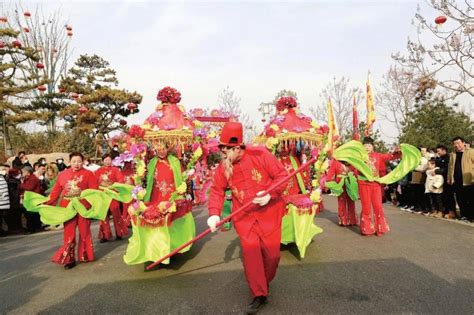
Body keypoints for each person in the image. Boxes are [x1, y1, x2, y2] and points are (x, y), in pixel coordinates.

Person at [207, 122, 288, 313]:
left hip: (268, 214)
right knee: (252, 257)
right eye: (221, 148)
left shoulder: (261, 155)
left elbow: (282, 176)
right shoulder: (223, 167)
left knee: (273, 257)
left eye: (225, 149)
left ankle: (262, 283)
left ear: (236, 148)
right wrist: (213, 214)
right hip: (244, 218)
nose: (223, 153)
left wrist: (270, 194)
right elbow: (217, 191)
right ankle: (259, 294)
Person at [46, 152, 98, 269]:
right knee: (69, 234)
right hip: (68, 209)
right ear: (69, 162)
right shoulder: (63, 175)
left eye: (79, 161)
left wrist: (91, 204)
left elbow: (94, 191)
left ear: (83, 162)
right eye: (74, 161)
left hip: (83, 208)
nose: (77, 164)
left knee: (84, 232)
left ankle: (85, 255)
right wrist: (46, 203)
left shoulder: (89, 174)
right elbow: (55, 192)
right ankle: (69, 259)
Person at [359, 137, 400, 236]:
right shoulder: (359, 157)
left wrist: (398, 152)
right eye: (365, 145)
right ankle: (367, 229)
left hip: (376, 184)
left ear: (373, 147)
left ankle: (380, 228)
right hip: (364, 184)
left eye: (369, 145)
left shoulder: (378, 156)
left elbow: (390, 156)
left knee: (378, 206)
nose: (367, 147)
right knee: (366, 207)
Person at [95, 154, 127, 242]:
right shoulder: (98, 171)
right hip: (103, 195)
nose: (107, 161)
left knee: (116, 214)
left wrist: (113, 186)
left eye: (109, 160)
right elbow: (94, 182)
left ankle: (119, 233)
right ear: (102, 161)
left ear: (111, 161)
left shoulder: (115, 170)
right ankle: (105, 235)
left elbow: (120, 180)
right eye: (105, 160)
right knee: (104, 215)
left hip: (113, 194)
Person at [447, 137, 474, 221]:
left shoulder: (471, 152)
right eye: (455, 144)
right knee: (460, 199)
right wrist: (449, 178)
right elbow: (450, 167)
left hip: (468, 179)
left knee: (470, 199)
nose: (456, 145)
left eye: (458, 143)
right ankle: (464, 215)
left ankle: (472, 216)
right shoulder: (453, 154)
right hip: (457, 180)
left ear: (463, 143)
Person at [326, 159, 358, 226]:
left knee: (351, 201)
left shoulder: (352, 160)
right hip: (340, 184)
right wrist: (328, 182)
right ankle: (343, 220)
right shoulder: (336, 162)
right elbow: (331, 173)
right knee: (341, 202)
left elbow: (356, 172)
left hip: (350, 183)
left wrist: (354, 176)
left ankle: (352, 220)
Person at [435, 145, 456, 219]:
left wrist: (437, 171)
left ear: (444, 150)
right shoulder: (439, 158)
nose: (438, 153)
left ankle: (452, 212)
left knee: (449, 196)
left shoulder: (448, 158)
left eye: (439, 151)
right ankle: (445, 211)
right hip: (440, 180)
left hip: (448, 179)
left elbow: (448, 169)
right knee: (443, 197)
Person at [0, 170, 10, 236]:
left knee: (1, 218)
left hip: (3, 202)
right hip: (3, 202)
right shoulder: (2, 178)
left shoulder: (2, 179)